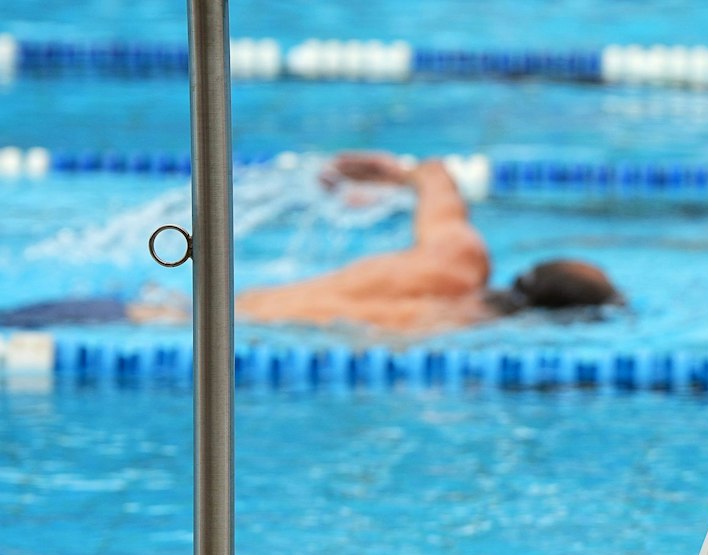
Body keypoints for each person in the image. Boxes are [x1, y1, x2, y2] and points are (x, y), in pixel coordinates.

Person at [0, 152, 622, 335]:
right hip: (166, 328)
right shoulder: (446, 331)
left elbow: (436, 176)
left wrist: (388, 173)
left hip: (159, 309)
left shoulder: (456, 257)